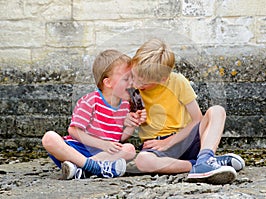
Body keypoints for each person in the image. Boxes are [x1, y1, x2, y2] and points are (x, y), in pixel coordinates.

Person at [125, 39, 245, 185]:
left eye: (143, 83)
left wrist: (169, 141)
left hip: (186, 139)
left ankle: (206, 156)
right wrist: (129, 119)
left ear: (163, 79)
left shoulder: (178, 82)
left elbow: (197, 119)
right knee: (143, 161)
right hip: (157, 149)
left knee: (217, 111)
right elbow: (122, 118)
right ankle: (199, 165)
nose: (136, 84)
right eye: (135, 76)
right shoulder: (131, 88)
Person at [42, 50, 146, 180]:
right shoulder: (90, 101)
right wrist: (103, 144)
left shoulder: (125, 105)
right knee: (49, 138)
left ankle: (81, 169)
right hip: (76, 149)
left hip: (102, 154)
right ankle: (94, 168)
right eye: (126, 78)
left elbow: (118, 139)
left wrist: (132, 125)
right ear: (108, 83)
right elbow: (74, 131)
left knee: (129, 149)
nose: (132, 83)